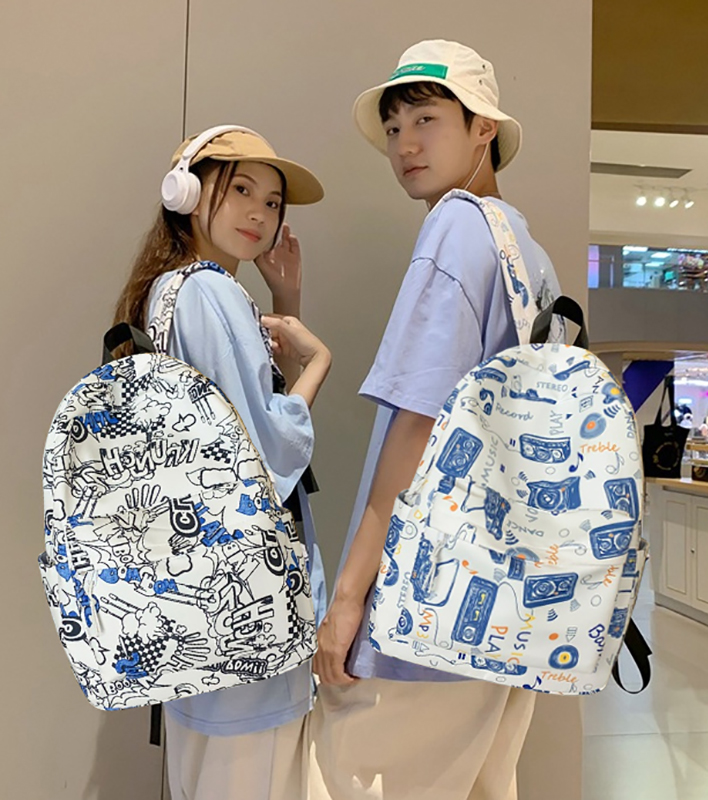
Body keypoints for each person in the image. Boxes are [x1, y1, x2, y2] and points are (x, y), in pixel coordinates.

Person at [311, 40, 563, 800]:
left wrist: (349, 596)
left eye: (427, 119)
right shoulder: (528, 250)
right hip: (511, 597)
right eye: (394, 128)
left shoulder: (455, 226)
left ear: (484, 128)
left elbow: (419, 427)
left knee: (350, 780)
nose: (405, 145)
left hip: (432, 601)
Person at [113, 125, 330, 800]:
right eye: (240, 190)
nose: (259, 214)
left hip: (197, 600)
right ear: (186, 191)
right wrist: (317, 365)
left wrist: (284, 304)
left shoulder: (166, 291)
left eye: (272, 202)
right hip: (250, 609)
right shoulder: (210, 292)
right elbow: (261, 452)